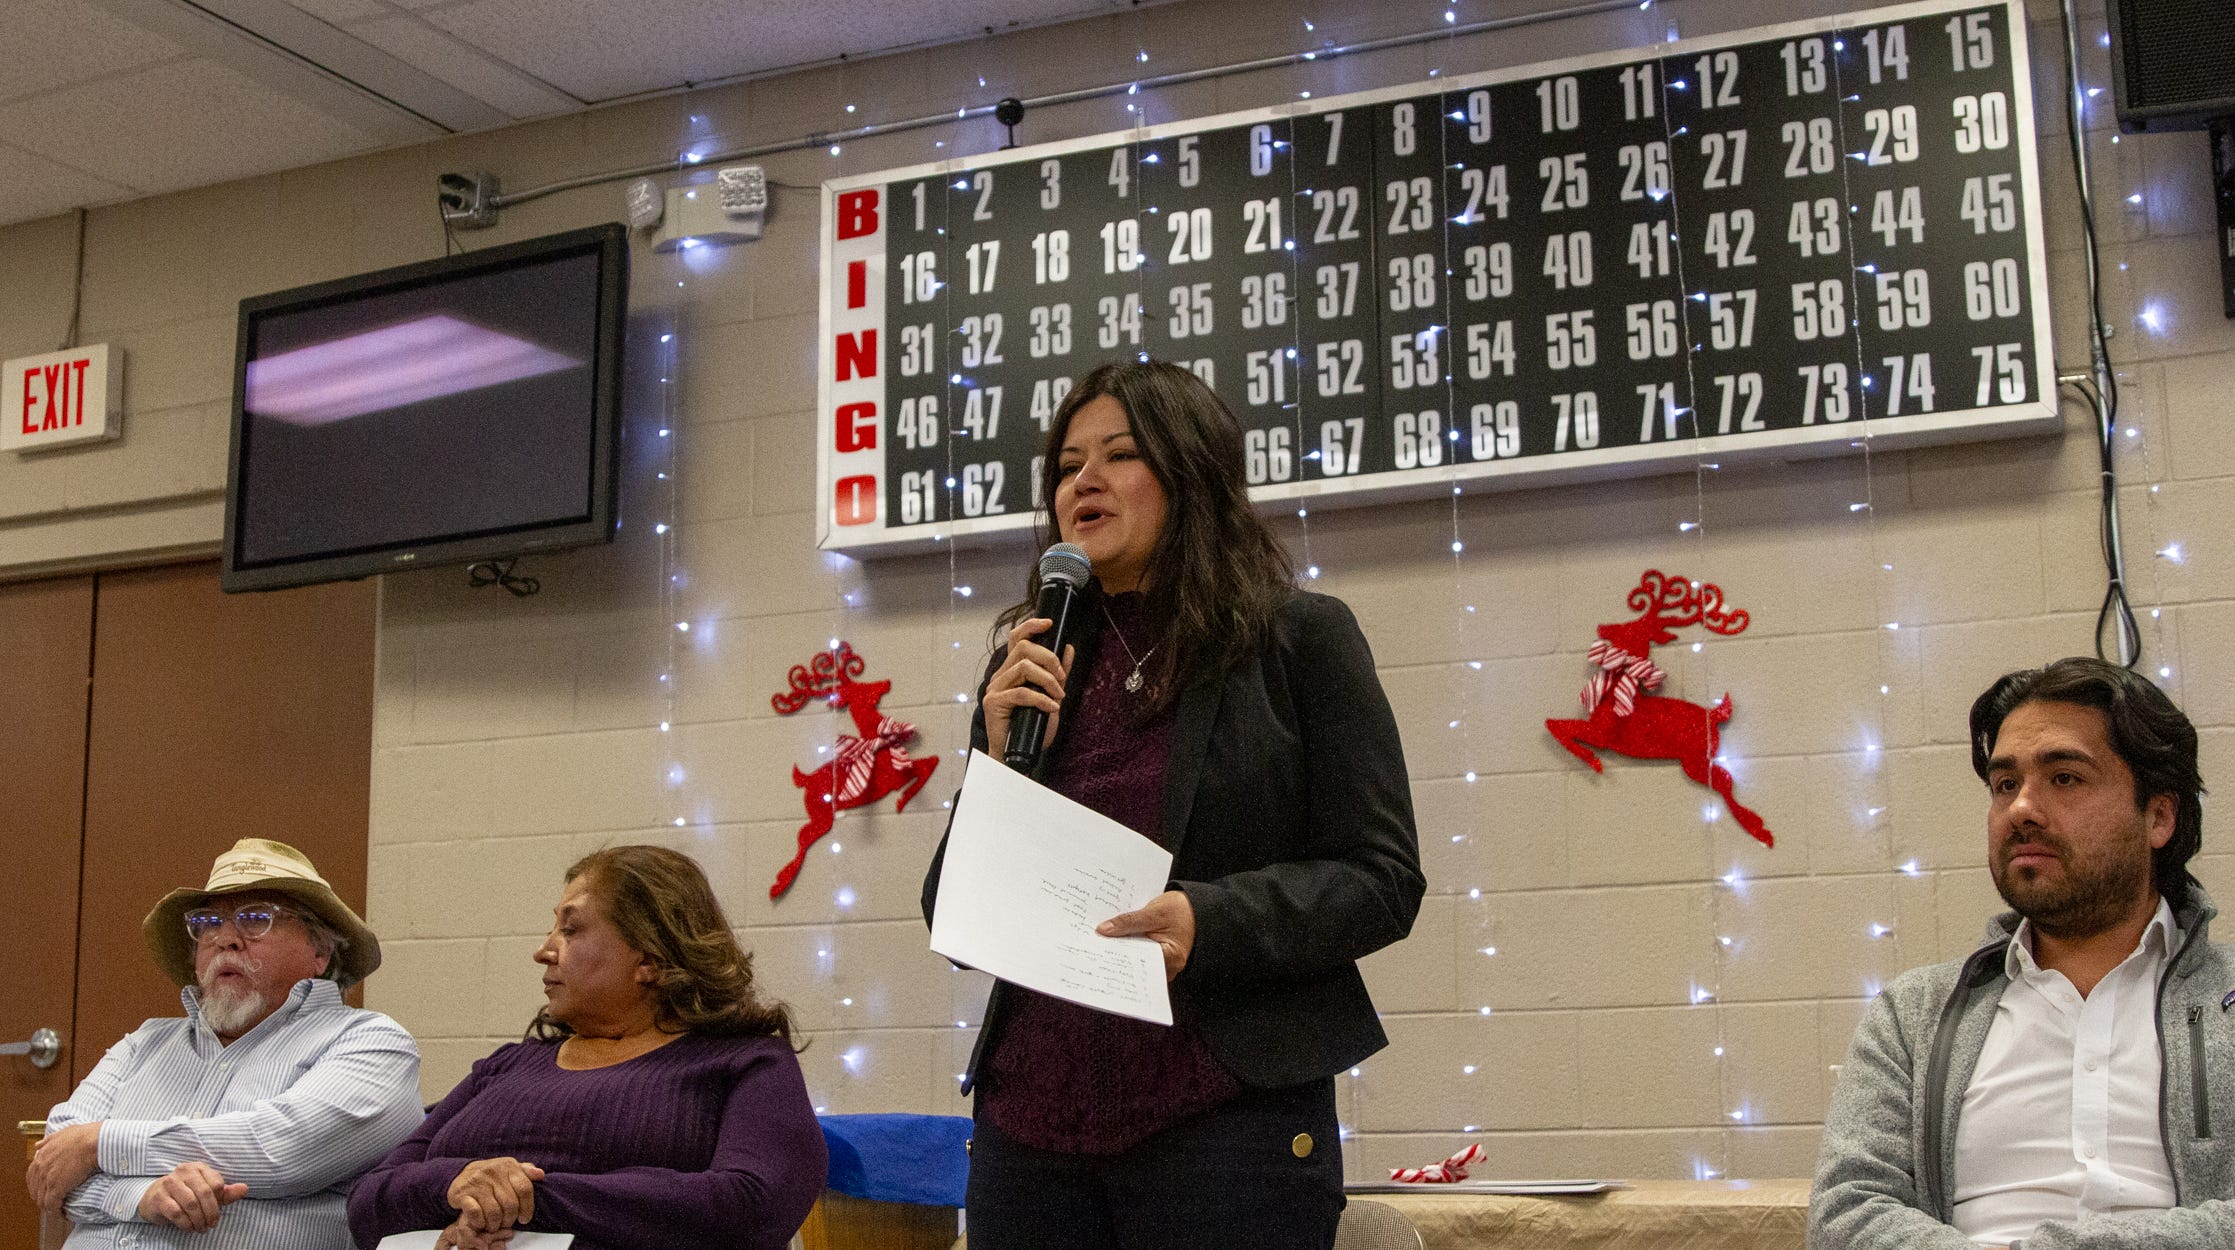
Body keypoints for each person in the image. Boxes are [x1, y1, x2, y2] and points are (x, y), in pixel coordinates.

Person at [921, 359, 1425, 1250]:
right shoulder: (1032, 662)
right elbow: (952, 919)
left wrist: (1210, 918)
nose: (1084, 480)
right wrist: (996, 767)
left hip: (1221, 1121)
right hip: (1028, 1130)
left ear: (1190, 473)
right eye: (1067, 464)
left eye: (1118, 455)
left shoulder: (1295, 641)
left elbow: (1381, 878)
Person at [1811, 657, 2235, 1249]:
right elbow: (1846, 1216)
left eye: (2064, 778)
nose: (2021, 809)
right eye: (2005, 784)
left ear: (2159, 815)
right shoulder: (1914, 1016)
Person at [346, 845, 825, 1250]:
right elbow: (368, 1201)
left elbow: (753, 1206)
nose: (544, 950)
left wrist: (521, 1200)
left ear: (651, 958)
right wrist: (456, 1183)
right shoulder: (509, 1064)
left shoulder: (744, 1061)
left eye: (570, 931)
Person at [29, 837, 423, 1249]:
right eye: (208, 923)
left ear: (320, 951)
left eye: (256, 918)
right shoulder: (145, 1042)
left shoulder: (372, 1042)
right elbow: (54, 1162)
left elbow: (280, 1149)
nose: (226, 939)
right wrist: (141, 1197)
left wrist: (99, 1144)